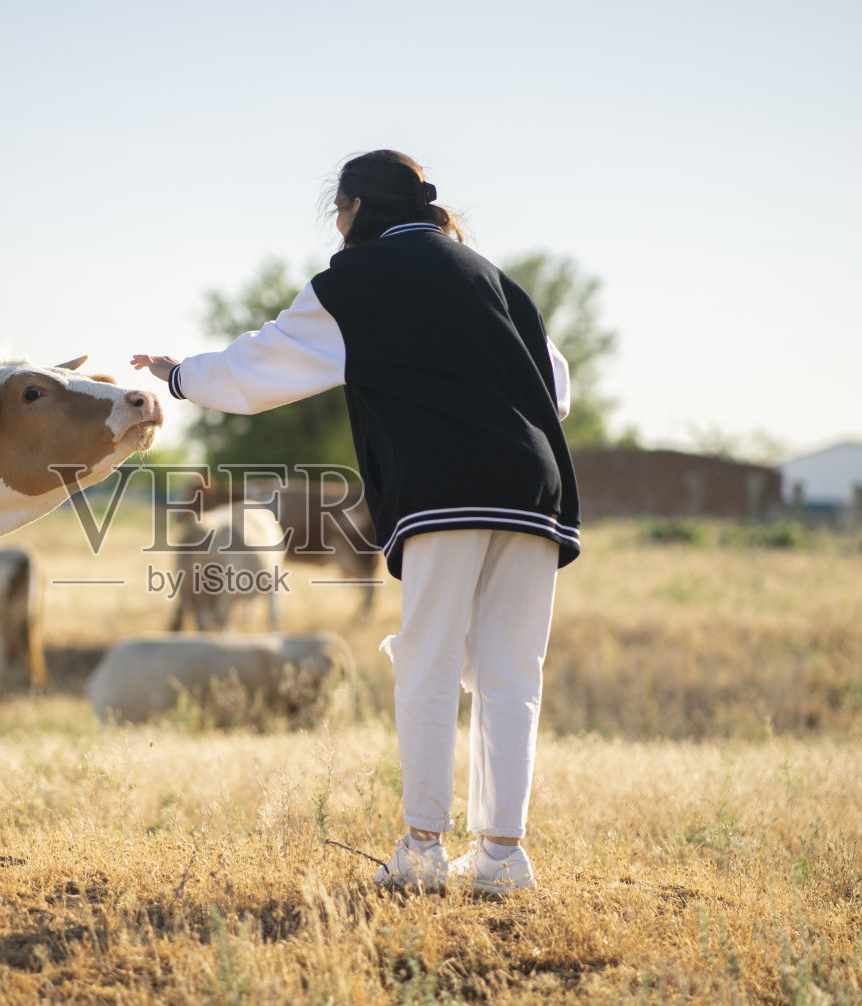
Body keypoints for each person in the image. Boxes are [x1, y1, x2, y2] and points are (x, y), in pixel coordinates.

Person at [130, 149, 579, 894]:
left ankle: (424, 850)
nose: (336, 227)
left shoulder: (358, 281)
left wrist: (181, 375)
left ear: (359, 208)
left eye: (337, 212)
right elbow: (556, 386)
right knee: (511, 670)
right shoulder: (492, 276)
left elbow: (263, 363)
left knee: (429, 657)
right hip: (537, 487)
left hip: (445, 486)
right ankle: (502, 857)